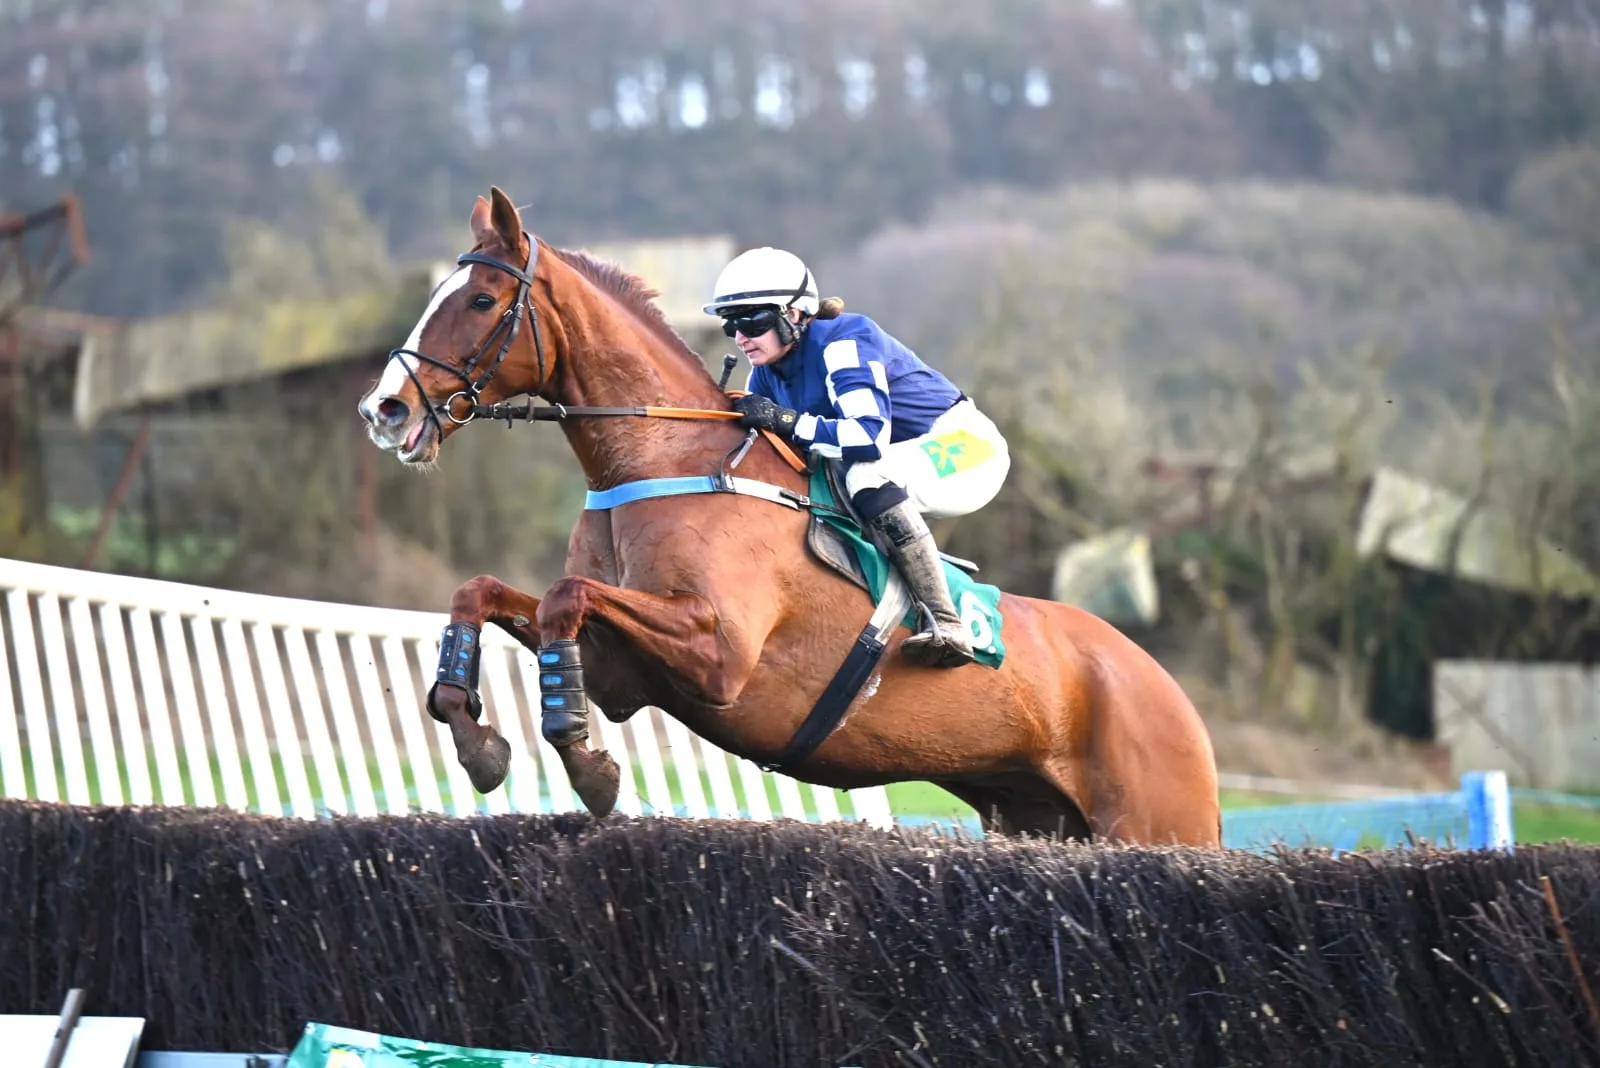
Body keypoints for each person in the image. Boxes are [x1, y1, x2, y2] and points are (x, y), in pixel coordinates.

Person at [703, 246, 1012, 668]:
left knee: (867, 473)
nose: (740, 337)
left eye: (752, 322)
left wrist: (786, 420)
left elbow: (867, 438)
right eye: (731, 325)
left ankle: (945, 621)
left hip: (970, 447)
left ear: (794, 314)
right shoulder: (765, 374)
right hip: (896, 457)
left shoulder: (845, 342)